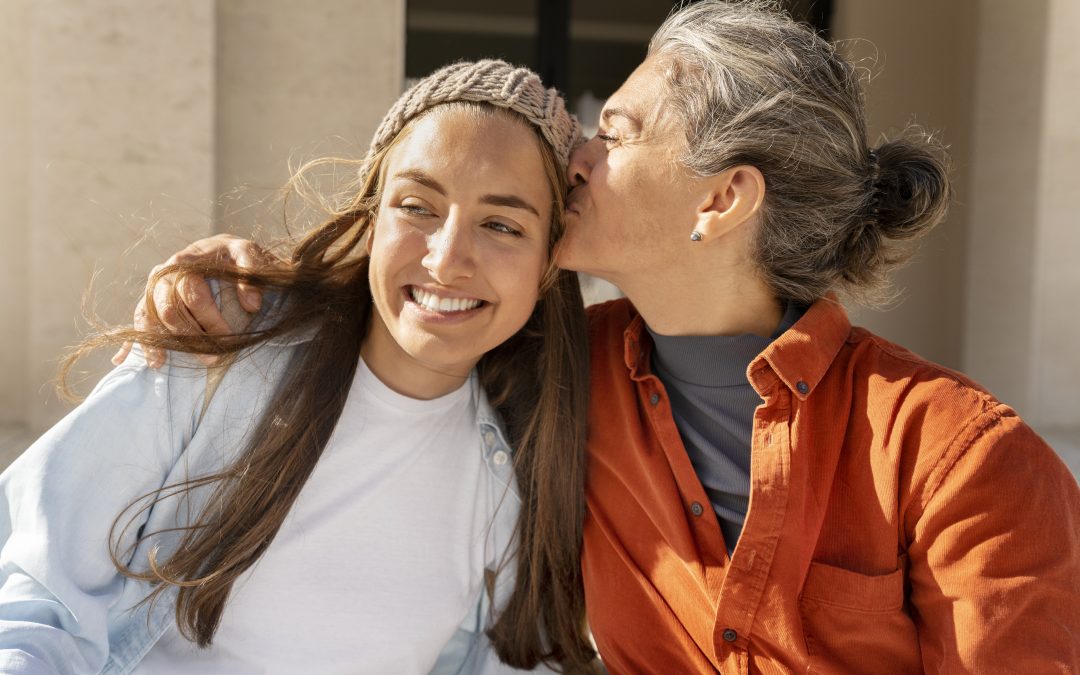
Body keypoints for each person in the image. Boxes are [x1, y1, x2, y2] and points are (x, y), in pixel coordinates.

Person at [121, 1, 1080, 672]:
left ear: (720, 200)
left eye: (615, 134)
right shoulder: (551, 367)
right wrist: (244, 290)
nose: (575, 152)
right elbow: (409, 297)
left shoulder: (963, 462)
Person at [0, 60, 601, 674]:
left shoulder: (514, 478)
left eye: (501, 225)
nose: (447, 261)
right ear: (371, 221)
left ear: (549, 264)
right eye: (417, 206)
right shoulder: (219, 343)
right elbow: (41, 599)